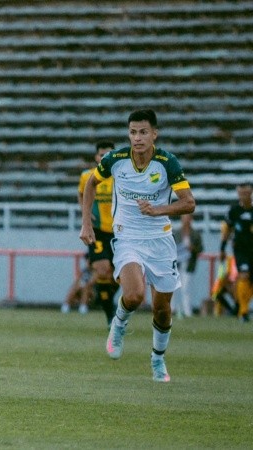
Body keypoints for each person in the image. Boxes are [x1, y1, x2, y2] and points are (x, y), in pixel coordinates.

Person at [80, 109, 195, 382]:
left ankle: (157, 360)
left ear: (154, 134)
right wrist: (87, 223)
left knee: (162, 309)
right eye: (133, 132)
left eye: (143, 132)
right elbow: (91, 184)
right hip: (127, 236)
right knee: (133, 295)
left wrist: (157, 210)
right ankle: (118, 324)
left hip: (160, 240)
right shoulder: (116, 159)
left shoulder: (167, 163)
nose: (138, 138)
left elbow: (189, 203)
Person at [78, 141, 119, 326]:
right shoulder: (88, 176)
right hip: (98, 232)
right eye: (101, 155)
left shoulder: (121, 176)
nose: (104, 158)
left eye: (108, 154)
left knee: (118, 276)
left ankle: (110, 303)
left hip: (120, 233)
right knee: (102, 270)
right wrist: (85, 214)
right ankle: (110, 313)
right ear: (96, 157)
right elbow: (81, 194)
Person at [220, 181, 253, 322]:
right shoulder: (234, 211)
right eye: (240, 193)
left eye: (245, 193)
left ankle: (243, 306)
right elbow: (227, 229)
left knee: (250, 281)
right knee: (243, 275)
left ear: (250, 193)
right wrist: (222, 248)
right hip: (241, 250)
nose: (242, 196)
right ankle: (243, 311)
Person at [172, 213, 203, 318]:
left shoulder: (195, 234)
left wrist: (192, 248)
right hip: (177, 264)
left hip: (189, 264)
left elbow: (200, 249)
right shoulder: (176, 233)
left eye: (187, 218)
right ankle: (174, 309)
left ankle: (187, 310)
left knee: (186, 288)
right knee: (175, 288)